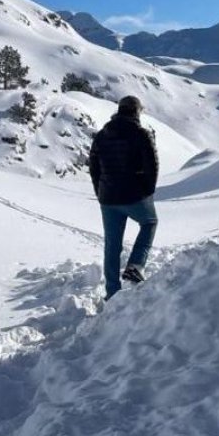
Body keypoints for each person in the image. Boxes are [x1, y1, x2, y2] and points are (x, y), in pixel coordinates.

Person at [88, 95, 159, 299]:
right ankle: (135, 266)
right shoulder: (141, 134)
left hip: (108, 198)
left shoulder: (102, 135)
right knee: (149, 222)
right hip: (135, 195)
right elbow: (151, 166)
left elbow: (93, 167)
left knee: (112, 244)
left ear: (119, 110)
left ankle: (112, 292)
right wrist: (147, 190)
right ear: (136, 111)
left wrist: (100, 192)